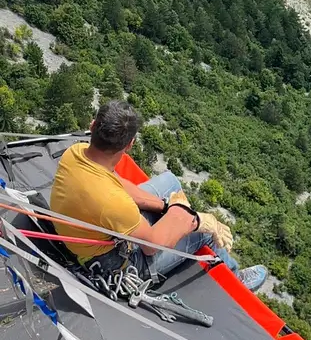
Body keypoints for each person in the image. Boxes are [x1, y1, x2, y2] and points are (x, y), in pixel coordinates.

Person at [48, 101, 268, 292]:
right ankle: (235, 279)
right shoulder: (112, 203)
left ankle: (182, 221)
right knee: (204, 233)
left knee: (170, 183)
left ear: (92, 126)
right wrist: (194, 220)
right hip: (115, 265)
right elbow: (152, 246)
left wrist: (166, 206)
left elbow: (117, 183)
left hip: (93, 223)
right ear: (130, 145)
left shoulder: (75, 153)